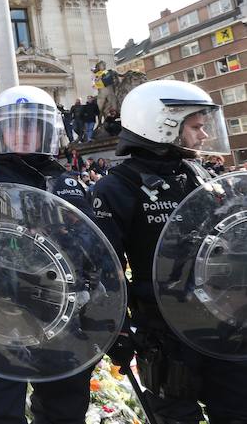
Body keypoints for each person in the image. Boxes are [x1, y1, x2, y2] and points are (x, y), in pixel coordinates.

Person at [91, 80, 247, 424]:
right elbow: (104, 268)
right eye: (196, 127)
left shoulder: (199, 173)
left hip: (222, 321)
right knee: (177, 418)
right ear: (163, 125)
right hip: (165, 330)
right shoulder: (117, 188)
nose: (203, 136)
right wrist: (115, 329)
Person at [0, 85, 97, 424]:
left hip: (63, 316)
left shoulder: (68, 182)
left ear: (46, 131)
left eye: (31, 125)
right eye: (14, 126)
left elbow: (92, 246)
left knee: (64, 411)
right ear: (0, 132)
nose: (22, 134)